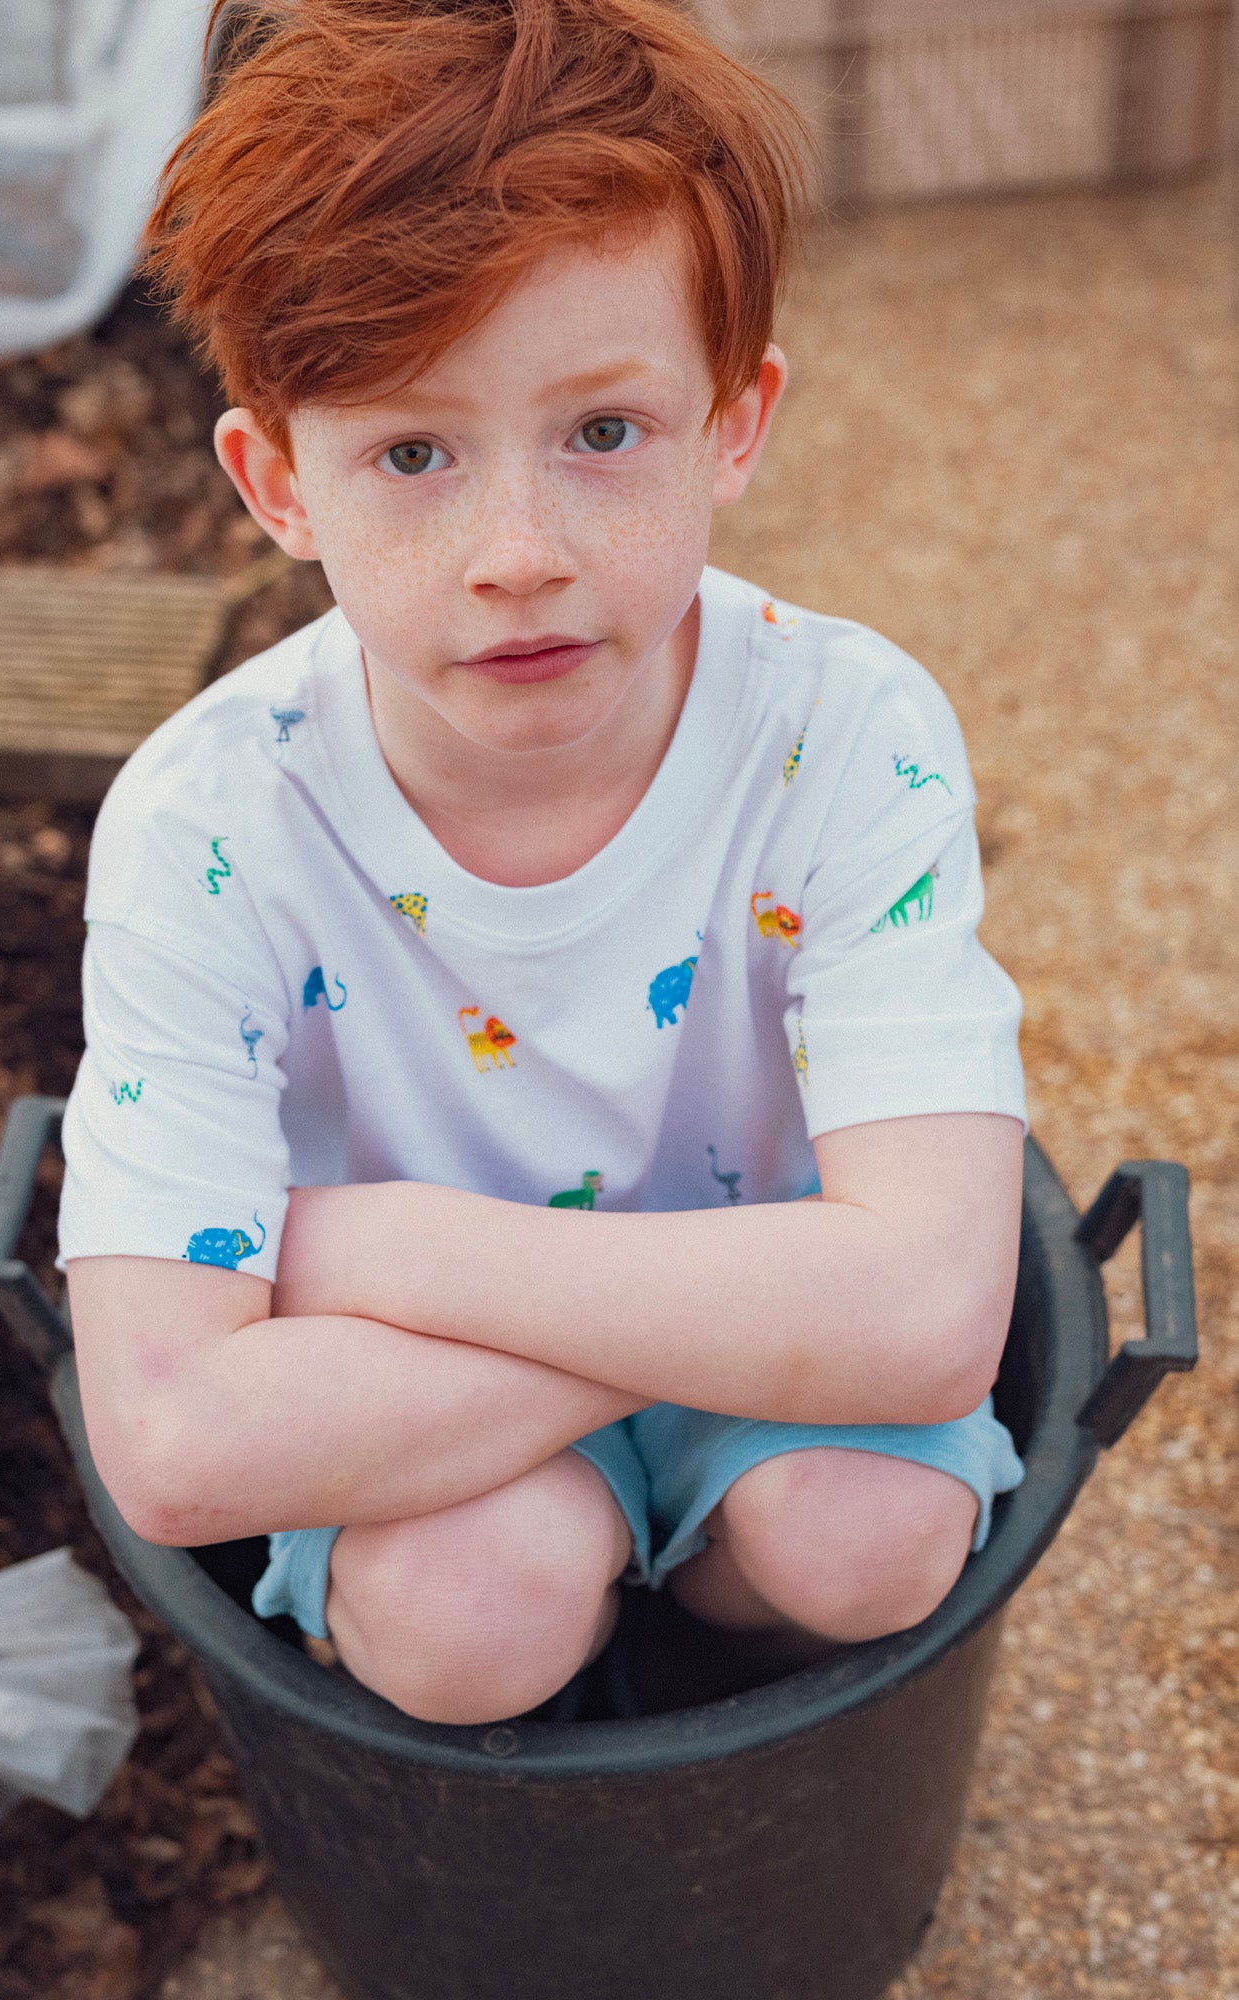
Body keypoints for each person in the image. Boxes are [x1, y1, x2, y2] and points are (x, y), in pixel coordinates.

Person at [58, 0, 1027, 1726]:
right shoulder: (208, 821)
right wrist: (741, 1326)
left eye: (603, 434)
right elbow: (174, 1447)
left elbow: (940, 1315)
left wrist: (387, 1249)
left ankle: (706, 1645)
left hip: (423, 1332)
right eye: (413, 455)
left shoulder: (848, 732)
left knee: (871, 1528)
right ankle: (572, 1654)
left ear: (735, 421)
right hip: (482, 1412)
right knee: (462, 1610)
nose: (520, 556)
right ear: (279, 480)